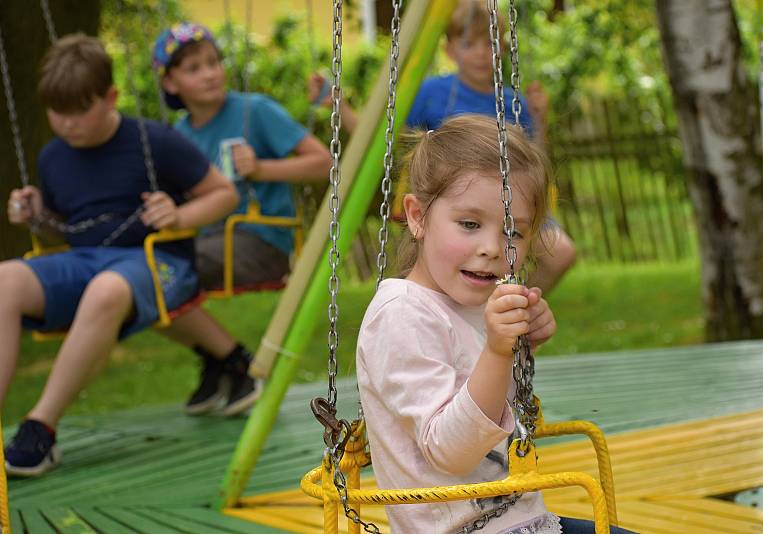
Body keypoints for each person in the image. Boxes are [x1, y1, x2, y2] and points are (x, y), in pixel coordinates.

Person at [356, 115, 633, 534]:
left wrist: (523, 348)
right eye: (469, 224)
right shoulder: (401, 314)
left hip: (518, 520)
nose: (491, 249)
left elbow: (490, 397)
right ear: (416, 216)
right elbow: (450, 451)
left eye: (514, 233)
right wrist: (498, 350)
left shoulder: (472, 302)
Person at [0, 34, 239, 477]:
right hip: (90, 262)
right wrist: (36, 214)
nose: (67, 123)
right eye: (57, 113)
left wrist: (180, 212)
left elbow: (223, 194)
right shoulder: (53, 156)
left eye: (79, 111)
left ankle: (40, 427)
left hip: (160, 263)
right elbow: (68, 233)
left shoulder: (154, 140)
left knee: (106, 289)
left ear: (110, 97)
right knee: (5, 280)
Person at [308, 0, 576, 295]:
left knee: (561, 252)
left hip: (505, 205)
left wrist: (539, 118)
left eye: (489, 42)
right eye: (468, 43)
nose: (480, 53)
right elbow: (379, 139)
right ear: (450, 50)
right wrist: (340, 105)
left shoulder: (513, 100)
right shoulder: (431, 93)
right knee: (421, 273)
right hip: (450, 201)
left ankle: (509, 309)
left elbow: (533, 159)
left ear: (501, 48)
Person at [150, 23, 332, 416]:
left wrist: (262, 169)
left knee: (156, 277)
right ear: (171, 82)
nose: (211, 72)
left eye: (213, 62)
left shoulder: (255, 111)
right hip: (212, 241)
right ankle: (218, 358)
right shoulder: (178, 135)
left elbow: (323, 163)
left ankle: (233, 362)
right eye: (194, 68)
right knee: (143, 279)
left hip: (262, 239)